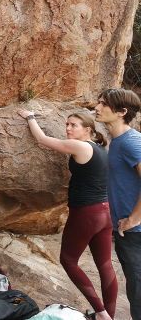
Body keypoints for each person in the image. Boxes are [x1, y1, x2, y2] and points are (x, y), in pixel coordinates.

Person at [17, 108, 116, 320]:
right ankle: (110, 316)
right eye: (67, 124)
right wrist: (86, 112)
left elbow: (42, 139)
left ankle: (100, 312)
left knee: (68, 260)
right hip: (104, 212)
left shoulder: (78, 146)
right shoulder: (99, 148)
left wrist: (30, 117)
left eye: (73, 125)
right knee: (105, 264)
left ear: (87, 130)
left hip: (86, 214)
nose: (68, 128)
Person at [95, 88, 141, 319]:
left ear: (122, 112)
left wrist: (134, 219)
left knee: (138, 291)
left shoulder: (130, 142)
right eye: (99, 102)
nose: (97, 107)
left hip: (135, 231)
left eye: (104, 104)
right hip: (126, 229)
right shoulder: (118, 141)